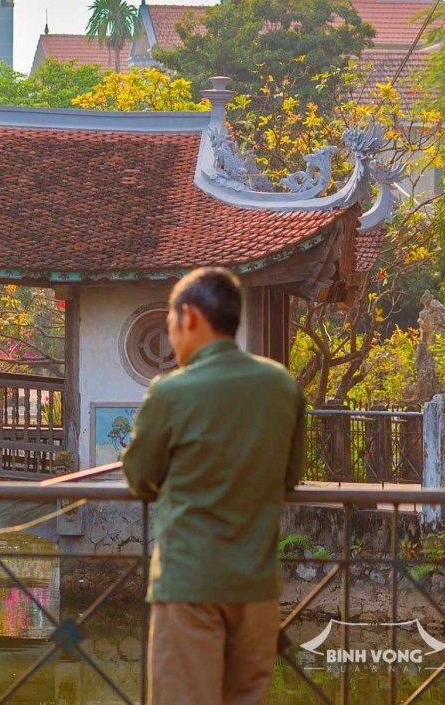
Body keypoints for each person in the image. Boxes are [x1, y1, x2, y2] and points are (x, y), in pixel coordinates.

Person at [121, 267, 306, 705]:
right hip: (256, 585)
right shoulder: (281, 385)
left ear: (189, 317)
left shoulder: (171, 391)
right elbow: (291, 475)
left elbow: (139, 477)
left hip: (189, 582)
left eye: (169, 321)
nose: (170, 335)